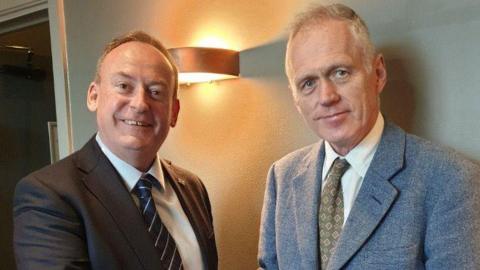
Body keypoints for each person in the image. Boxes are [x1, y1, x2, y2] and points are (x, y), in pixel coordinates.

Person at [258, 3, 480, 270]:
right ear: (296, 100)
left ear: (378, 74)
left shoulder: (450, 179)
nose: (326, 97)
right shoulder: (282, 177)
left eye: (340, 72)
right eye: (308, 83)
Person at [14, 31, 217, 270]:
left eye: (156, 92)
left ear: (174, 111)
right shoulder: (48, 195)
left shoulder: (193, 187)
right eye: (124, 86)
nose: (140, 104)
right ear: (94, 96)